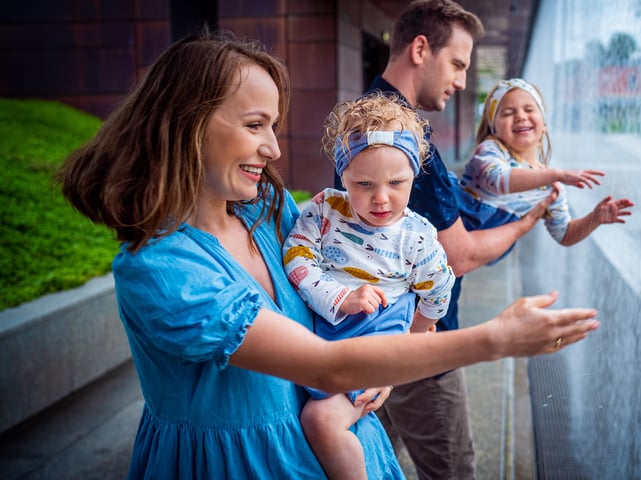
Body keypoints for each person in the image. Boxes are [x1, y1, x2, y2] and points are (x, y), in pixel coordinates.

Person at [56, 31, 600, 479]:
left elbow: (379, 273)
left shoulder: (267, 211)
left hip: (329, 443)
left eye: (274, 126)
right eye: (254, 125)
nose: (272, 148)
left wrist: (395, 349)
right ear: (184, 123)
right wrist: (494, 340)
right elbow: (324, 363)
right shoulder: (161, 270)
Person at [353, 1, 574, 478]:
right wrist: (529, 219)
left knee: (373, 462)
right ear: (419, 49)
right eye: (457, 64)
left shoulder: (367, 114)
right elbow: (458, 257)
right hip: (421, 347)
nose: (459, 80)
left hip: (377, 335)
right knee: (455, 472)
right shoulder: (409, 138)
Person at [284, 94, 455, 479]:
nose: (381, 198)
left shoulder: (415, 239)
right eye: (363, 183)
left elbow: (439, 292)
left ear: (414, 175)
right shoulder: (326, 210)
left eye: (397, 182)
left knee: (320, 420)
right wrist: (340, 297)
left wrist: (407, 343)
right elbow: (296, 256)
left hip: (374, 340)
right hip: (327, 334)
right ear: (342, 176)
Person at [456, 77, 634, 247]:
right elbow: (499, 180)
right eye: (508, 113)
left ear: (544, 125)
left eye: (529, 109)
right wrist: (556, 174)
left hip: (475, 247)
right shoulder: (490, 150)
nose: (520, 116)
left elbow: (565, 234)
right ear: (493, 127)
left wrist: (595, 218)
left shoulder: (549, 187)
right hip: (447, 229)